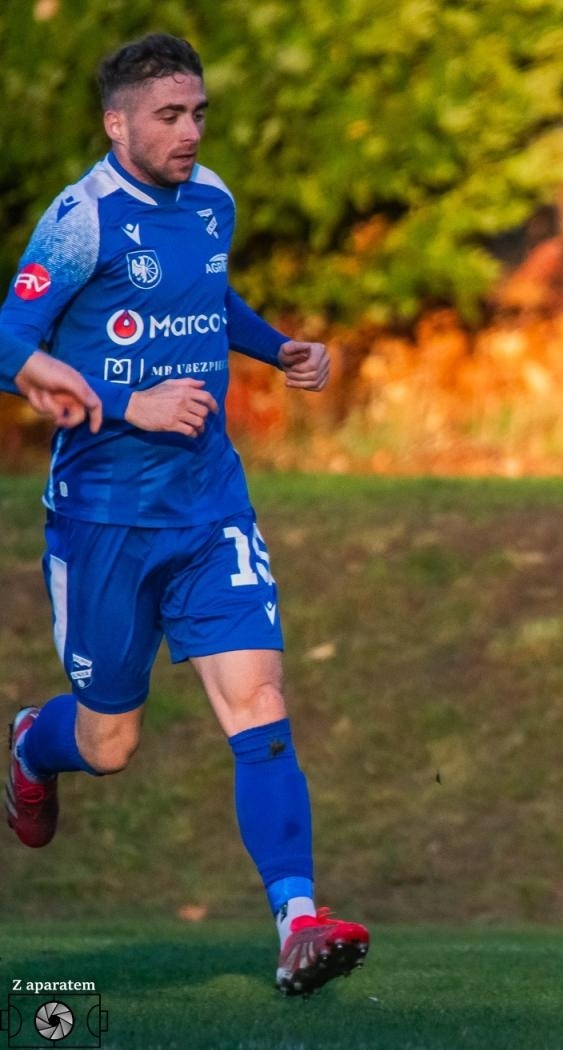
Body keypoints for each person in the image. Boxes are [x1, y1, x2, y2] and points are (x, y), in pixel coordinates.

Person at [0, 32, 368, 997]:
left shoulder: (212, 201)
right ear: (117, 122)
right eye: (169, 115)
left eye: (198, 112)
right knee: (109, 743)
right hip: (106, 519)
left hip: (209, 505)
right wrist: (128, 406)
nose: (190, 131)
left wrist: (276, 346)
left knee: (260, 700)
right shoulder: (80, 221)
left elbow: (209, 300)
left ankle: (297, 920)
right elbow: (10, 337)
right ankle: (34, 741)